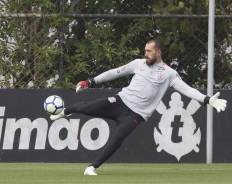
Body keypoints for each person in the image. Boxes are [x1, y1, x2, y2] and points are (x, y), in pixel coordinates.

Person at [50, 39, 227, 176]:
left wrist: (207, 100)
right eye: (145, 51)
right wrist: (90, 81)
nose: (146, 54)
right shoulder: (138, 64)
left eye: (149, 51)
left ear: (158, 52)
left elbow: (186, 89)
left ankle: (91, 167)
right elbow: (114, 72)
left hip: (135, 114)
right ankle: (65, 111)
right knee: (87, 109)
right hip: (119, 101)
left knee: (117, 139)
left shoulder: (169, 74)